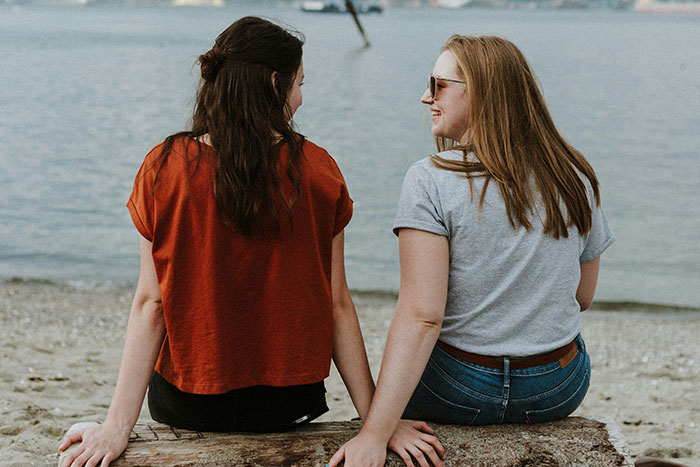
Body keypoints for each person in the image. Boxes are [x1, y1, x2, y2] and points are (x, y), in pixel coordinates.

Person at [58, 16, 442, 467]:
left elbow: (151, 304)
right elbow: (337, 303)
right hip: (287, 402)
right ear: (275, 84)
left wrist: (116, 426)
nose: (301, 97)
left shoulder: (164, 170)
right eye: (299, 84)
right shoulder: (319, 172)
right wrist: (377, 422)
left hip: (188, 401)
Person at [329, 35, 614, 466]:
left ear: (478, 92)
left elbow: (423, 316)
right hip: (557, 388)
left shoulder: (430, 180)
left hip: (457, 390)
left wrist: (374, 432)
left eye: (438, 85)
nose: (425, 97)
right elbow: (582, 296)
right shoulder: (572, 175)